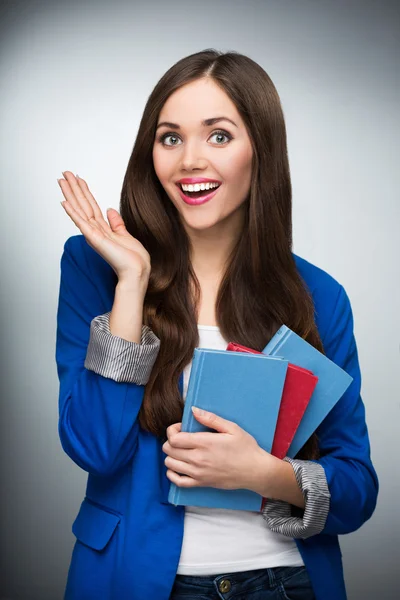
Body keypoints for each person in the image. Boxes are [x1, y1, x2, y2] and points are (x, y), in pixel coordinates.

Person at [55, 49, 378, 600]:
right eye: (170, 137)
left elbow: (357, 488)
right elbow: (93, 446)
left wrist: (264, 474)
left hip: (286, 582)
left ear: (261, 151)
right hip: (138, 581)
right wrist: (132, 283)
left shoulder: (320, 297)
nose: (189, 161)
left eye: (219, 136)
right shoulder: (98, 267)